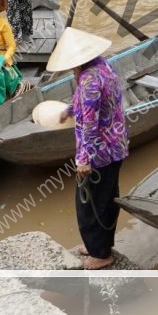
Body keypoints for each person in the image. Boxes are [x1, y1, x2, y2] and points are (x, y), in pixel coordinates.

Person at [49, 27, 128, 271]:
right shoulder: (103, 65)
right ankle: (98, 245)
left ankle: (101, 254)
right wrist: (69, 110)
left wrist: (84, 159)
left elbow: (90, 124)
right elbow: (91, 104)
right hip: (116, 145)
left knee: (89, 205)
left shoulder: (89, 81)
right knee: (105, 198)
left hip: (99, 153)